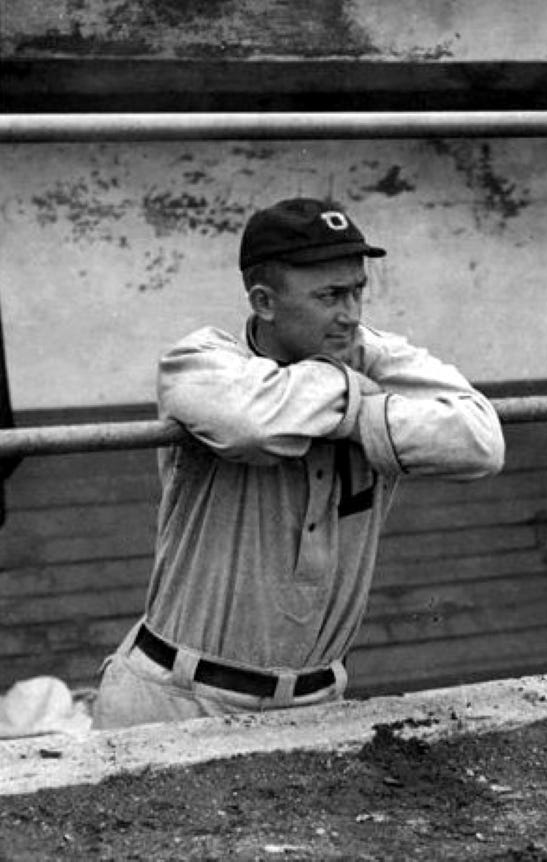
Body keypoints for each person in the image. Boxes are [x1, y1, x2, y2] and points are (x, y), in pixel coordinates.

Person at [92, 197, 505, 730]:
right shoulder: (200, 360)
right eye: (330, 295)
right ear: (264, 302)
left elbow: (480, 441)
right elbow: (252, 425)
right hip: (177, 696)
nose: (351, 314)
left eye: (358, 290)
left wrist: (352, 410)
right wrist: (355, 393)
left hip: (316, 703)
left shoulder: (372, 352)